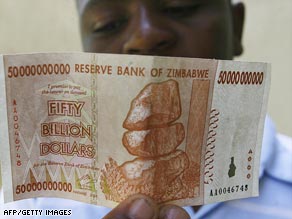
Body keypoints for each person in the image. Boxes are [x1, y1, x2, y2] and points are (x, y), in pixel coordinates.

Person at [1, 0, 292, 218]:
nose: (145, 35)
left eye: (180, 6)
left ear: (236, 24)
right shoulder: (35, 201)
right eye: (108, 23)